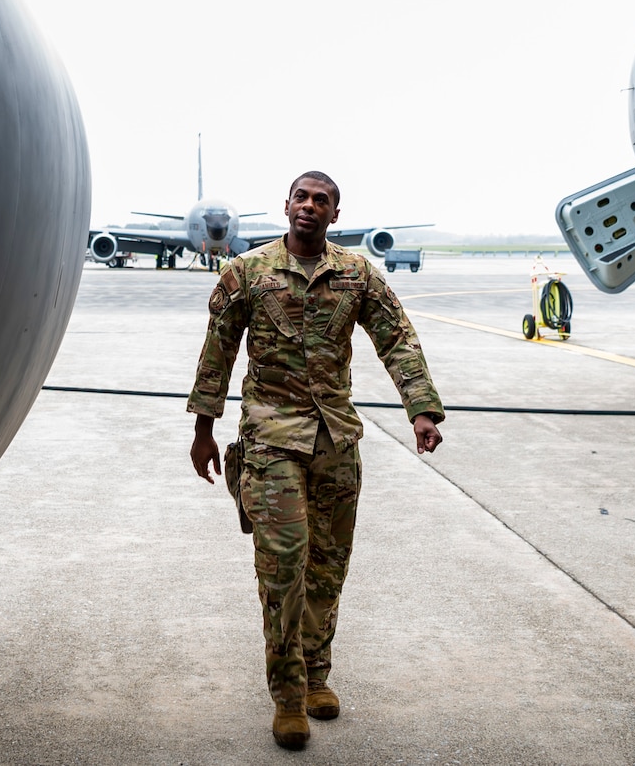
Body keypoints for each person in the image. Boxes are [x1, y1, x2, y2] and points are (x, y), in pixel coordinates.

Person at [187, 171, 445, 749]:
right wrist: (204, 430)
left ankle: (317, 676)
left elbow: (396, 337)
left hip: (336, 445)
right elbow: (217, 353)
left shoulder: (354, 274)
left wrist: (421, 408)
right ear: (286, 207)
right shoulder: (248, 272)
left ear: (334, 213)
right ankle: (287, 696)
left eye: (320, 200)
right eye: (301, 197)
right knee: (283, 567)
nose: (309, 206)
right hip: (271, 440)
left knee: (327, 567)